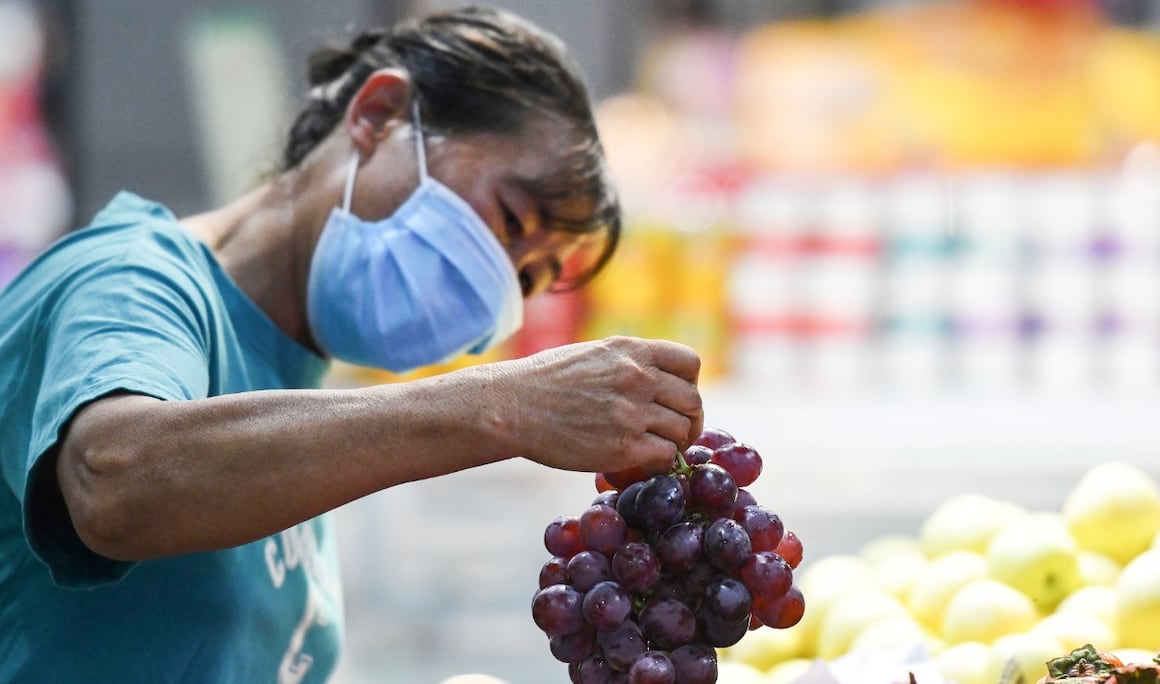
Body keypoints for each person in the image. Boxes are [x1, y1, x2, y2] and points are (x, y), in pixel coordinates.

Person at [0, 5, 703, 682]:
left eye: (525, 277)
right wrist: (502, 404)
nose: (497, 289)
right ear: (377, 114)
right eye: (509, 216)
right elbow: (113, 480)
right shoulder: (130, 281)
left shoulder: (292, 372)